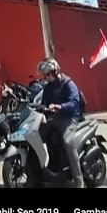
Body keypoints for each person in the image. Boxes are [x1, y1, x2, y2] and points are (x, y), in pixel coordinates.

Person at [37, 57, 84, 187]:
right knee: (34, 135)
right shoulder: (47, 88)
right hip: (53, 118)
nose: (45, 77)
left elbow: (74, 103)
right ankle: (39, 173)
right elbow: (43, 104)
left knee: (67, 141)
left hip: (68, 118)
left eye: (47, 74)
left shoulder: (68, 83)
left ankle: (79, 180)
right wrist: (39, 108)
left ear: (55, 71)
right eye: (44, 75)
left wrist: (60, 106)